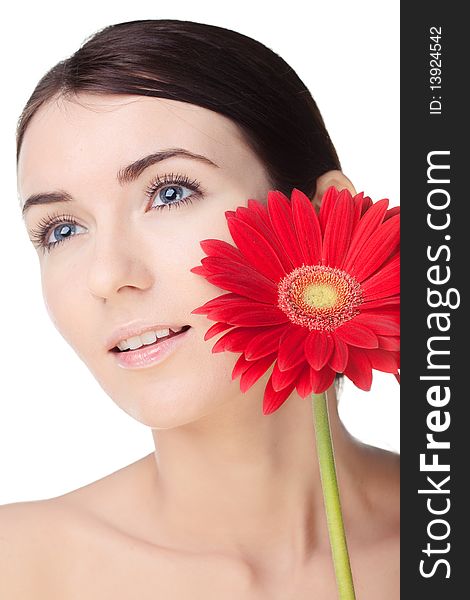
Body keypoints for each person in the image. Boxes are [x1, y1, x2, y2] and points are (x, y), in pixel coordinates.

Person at [1, 19, 399, 599]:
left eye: (169, 193)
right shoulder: (19, 567)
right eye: (61, 229)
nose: (108, 276)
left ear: (323, 209)